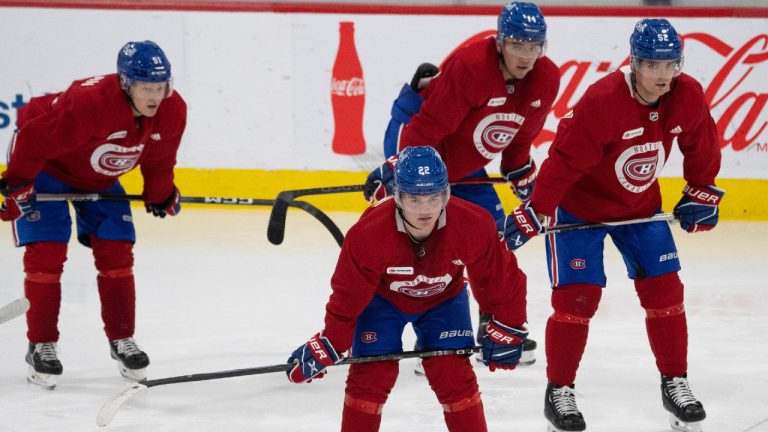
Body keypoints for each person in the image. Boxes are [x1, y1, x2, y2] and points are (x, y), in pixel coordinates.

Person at [497, 19, 720, 432]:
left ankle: (675, 381)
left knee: (665, 289)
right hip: (580, 211)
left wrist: (701, 190)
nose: (663, 75)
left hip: (640, 207)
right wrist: (538, 209)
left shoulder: (686, 93)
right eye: (653, 65)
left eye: (671, 64)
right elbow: (564, 162)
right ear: (634, 63)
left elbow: (701, 142)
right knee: (577, 299)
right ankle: (559, 392)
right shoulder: (603, 100)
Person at [363, 0, 560, 365]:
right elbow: (427, 129)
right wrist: (404, 174)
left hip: (464, 161)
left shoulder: (546, 78)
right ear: (500, 42)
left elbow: (517, 139)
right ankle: (424, 335)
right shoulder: (473, 67)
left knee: (492, 235)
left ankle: (493, 323)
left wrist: (524, 180)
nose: (526, 55)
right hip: (418, 141)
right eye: (517, 44)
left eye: (534, 46)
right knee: (424, 239)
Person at [287, 146, 529, 431]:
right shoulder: (368, 234)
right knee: (371, 375)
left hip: (445, 299)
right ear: (398, 197)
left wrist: (508, 325)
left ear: (446, 194)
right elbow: (347, 295)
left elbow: (500, 278)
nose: (425, 209)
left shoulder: (474, 223)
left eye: (434, 198)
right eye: (414, 199)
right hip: (382, 301)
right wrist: (331, 342)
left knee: (453, 375)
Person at [0, 40, 187, 390]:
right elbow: (33, 140)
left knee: (117, 250)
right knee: (48, 253)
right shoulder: (91, 105)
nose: (154, 97)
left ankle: (122, 340)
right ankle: (41, 345)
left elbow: (160, 161)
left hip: (98, 178)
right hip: (46, 169)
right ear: (125, 83)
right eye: (146, 88)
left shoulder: (173, 110)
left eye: (160, 88)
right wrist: (16, 184)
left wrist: (161, 196)